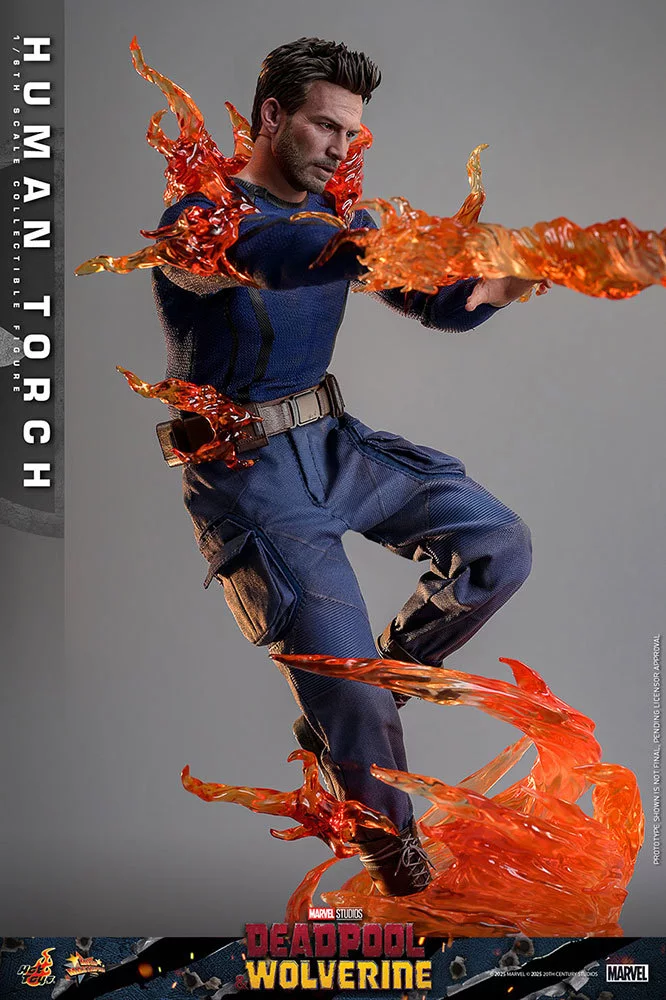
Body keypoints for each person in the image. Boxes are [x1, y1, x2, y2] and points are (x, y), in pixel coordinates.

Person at [153, 37, 544, 896]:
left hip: (335, 447)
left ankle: (384, 681)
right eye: (325, 126)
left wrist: (501, 283)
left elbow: (438, 304)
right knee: (348, 691)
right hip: (252, 485)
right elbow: (274, 255)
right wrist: (359, 238)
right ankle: (402, 872)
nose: (341, 147)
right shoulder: (200, 219)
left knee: (499, 546)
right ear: (272, 116)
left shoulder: (335, 212)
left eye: (351, 132)